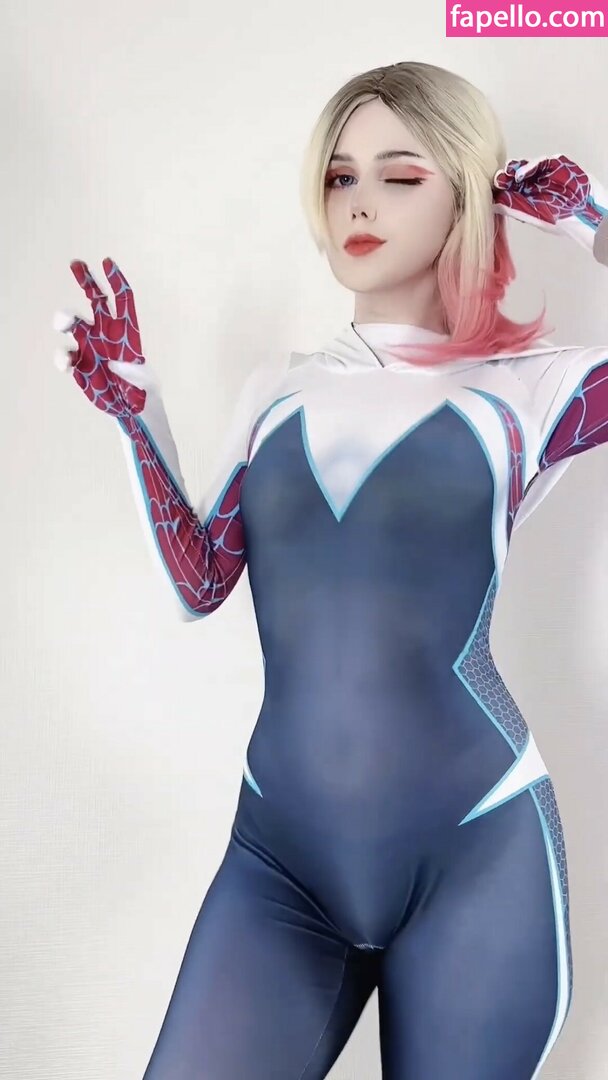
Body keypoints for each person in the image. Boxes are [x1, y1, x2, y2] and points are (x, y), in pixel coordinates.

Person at [53, 60, 608, 1080]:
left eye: (400, 176)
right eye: (340, 176)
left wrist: (588, 218)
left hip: (477, 855)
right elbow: (201, 581)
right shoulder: (280, 387)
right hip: (281, 861)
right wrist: (137, 412)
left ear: (467, 195)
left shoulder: (529, 391)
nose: (359, 202)